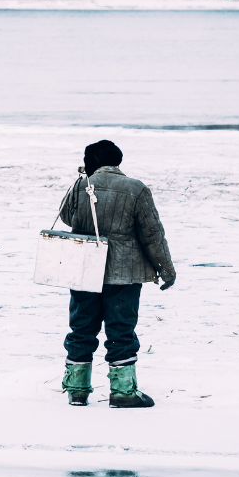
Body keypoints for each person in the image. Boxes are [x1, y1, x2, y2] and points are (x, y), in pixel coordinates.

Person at [58, 140, 176, 408]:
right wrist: (166, 270)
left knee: (81, 327)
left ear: (90, 162)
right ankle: (123, 392)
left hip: (86, 267)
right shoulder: (136, 188)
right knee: (121, 329)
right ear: (118, 161)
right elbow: (153, 234)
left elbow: (67, 217)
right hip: (125, 272)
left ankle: (77, 389)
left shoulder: (81, 185)